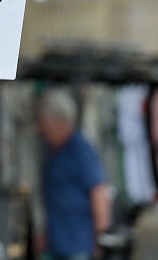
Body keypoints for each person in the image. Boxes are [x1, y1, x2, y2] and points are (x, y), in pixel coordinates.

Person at [37, 87, 111, 260]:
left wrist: (101, 238)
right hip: (58, 242)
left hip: (79, 242)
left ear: (58, 121)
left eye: (43, 123)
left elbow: (99, 193)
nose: (40, 129)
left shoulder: (80, 149)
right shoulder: (52, 151)